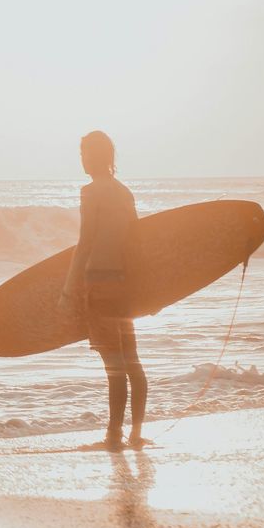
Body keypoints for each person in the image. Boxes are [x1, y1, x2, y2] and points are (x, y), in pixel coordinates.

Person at [61, 131, 148, 451]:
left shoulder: (90, 192)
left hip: (98, 284)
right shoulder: (124, 192)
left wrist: (68, 288)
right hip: (123, 286)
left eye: (84, 153)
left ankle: (113, 436)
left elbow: (85, 242)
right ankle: (135, 433)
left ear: (94, 156)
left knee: (113, 367)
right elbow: (135, 242)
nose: (81, 159)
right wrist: (147, 291)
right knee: (132, 362)